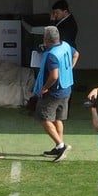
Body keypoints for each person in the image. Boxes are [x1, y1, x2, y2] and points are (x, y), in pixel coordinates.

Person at [33, 27, 76, 158]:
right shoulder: (66, 45)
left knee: (43, 118)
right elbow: (76, 54)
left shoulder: (52, 55)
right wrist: (69, 69)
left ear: (46, 39)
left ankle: (61, 145)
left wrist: (45, 88)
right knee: (58, 118)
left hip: (53, 92)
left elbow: (54, 76)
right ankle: (59, 147)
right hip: (66, 88)